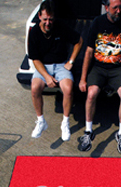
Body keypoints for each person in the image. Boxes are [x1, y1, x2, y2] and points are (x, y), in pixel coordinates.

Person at [78, 0, 121, 154]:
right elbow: (89, 52)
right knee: (91, 94)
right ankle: (88, 132)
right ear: (106, 8)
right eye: (115, 8)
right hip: (98, 68)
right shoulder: (97, 23)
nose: (119, 11)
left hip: (117, 69)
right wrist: (83, 78)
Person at [28, 0, 83, 141]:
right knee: (35, 88)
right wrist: (46, 77)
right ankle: (41, 121)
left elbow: (79, 41)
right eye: (45, 19)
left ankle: (65, 122)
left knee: (68, 89)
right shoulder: (34, 32)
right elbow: (35, 59)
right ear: (39, 16)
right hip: (43, 66)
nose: (48, 23)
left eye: (51, 19)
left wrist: (71, 61)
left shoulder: (61, 26)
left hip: (60, 64)